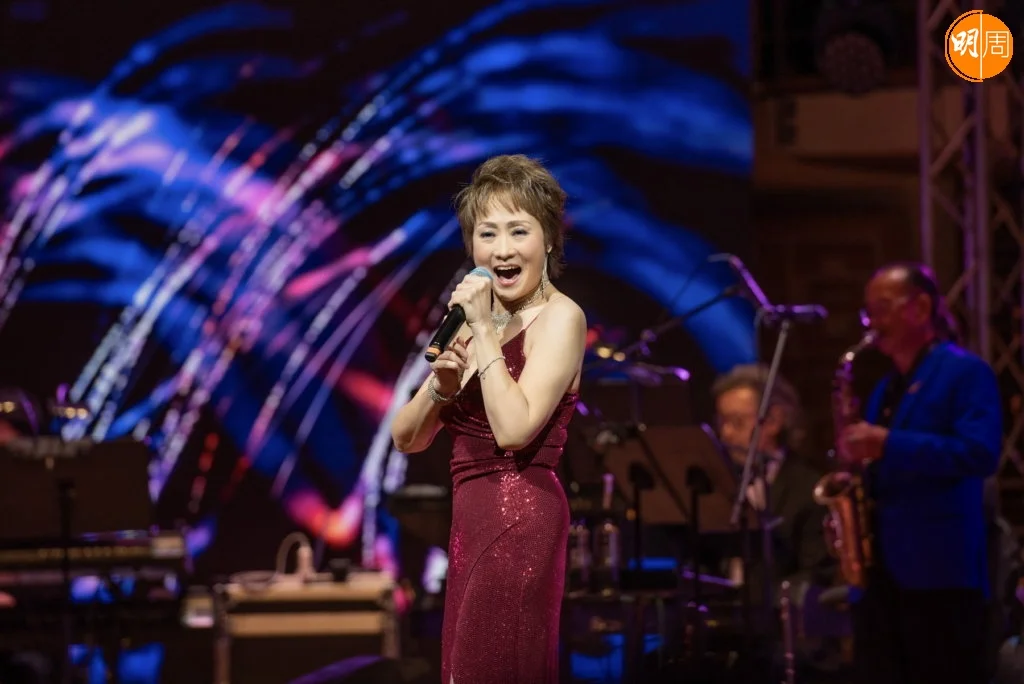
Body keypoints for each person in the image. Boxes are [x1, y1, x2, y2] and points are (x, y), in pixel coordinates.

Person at [390, 154, 586, 684]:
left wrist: (481, 333)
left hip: (521, 516)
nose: (502, 249)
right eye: (487, 233)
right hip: (470, 519)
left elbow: (515, 430)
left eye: (518, 231)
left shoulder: (561, 317)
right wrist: (442, 386)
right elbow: (406, 438)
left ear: (549, 240)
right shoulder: (478, 322)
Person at [839, 262, 1002, 684]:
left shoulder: (964, 372)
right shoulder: (884, 388)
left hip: (939, 572)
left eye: (882, 309)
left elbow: (980, 453)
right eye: (868, 312)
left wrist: (888, 444)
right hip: (882, 574)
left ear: (921, 308)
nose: (872, 323)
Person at [711, 364, 834, 595]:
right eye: (721, 422)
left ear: (774, 421)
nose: (725, 433)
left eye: (736, 421)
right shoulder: (719, 482)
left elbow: (818, 573)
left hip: (778, 611)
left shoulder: (808, 487)